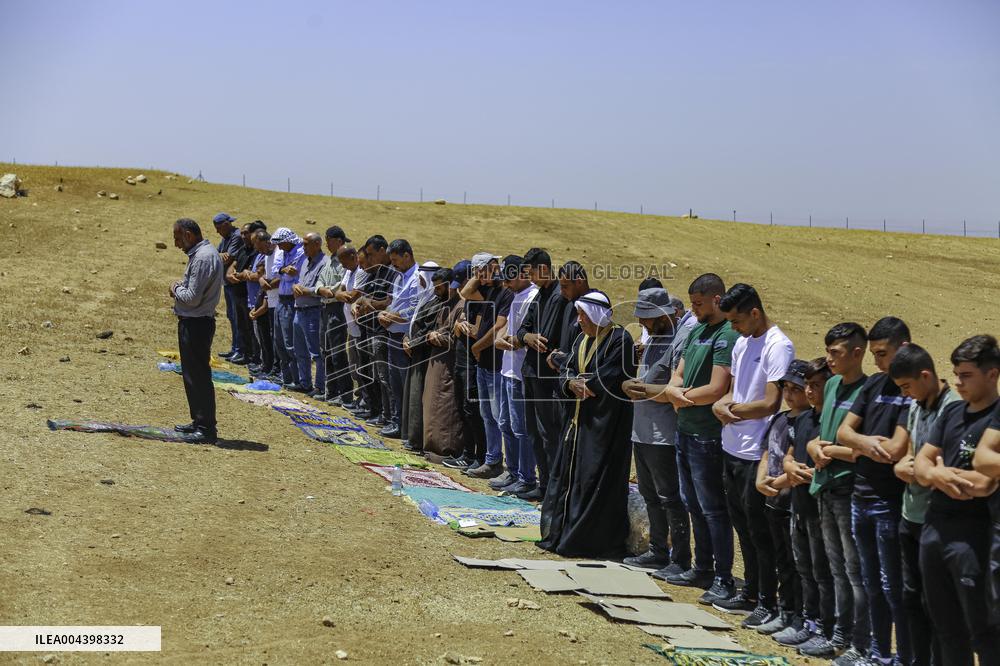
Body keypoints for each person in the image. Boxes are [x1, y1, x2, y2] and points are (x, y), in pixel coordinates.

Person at [710, 284, 795, 629]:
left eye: (737, 320)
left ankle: (767, 599)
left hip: (754, 450)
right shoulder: (743, 342)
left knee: (760, 532)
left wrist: (733, 410)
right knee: (742, 527)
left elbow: (771, 402)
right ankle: (750, 591)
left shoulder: (779, 345)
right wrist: (721, 404)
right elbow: (735, 389)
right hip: (731, 443)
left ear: (755, 313)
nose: (733, 328)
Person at [914, 335, 1000, 665]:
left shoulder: (996, 417)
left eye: (966, 376)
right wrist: (939, 475)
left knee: (983, 629)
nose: (959, 383)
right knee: (945, 626)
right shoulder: (951, 411)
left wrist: (938, 472)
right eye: (957, 375)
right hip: (935, 528)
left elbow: (982, 483)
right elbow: (921, 464)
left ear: (992, 374)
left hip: (973, 536)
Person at [654, 274, 738, 604]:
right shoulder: (698, 330)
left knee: (713, 509)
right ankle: (701, 567)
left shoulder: (728, 334)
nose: (694, 309)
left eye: (698, 303)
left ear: (717, 299)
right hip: (685, 429)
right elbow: (679, 371)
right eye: (692, 303)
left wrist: (679, 395)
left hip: (708, 435)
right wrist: (677, 390)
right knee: (692, 504)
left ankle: (723, 575)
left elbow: (717, 389)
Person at [836, 317, 913, 666]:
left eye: (883, 354)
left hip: (889, 502)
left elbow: (896, 449)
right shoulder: (874, 385)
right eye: (875, 354)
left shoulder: (910, 390)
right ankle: (879, 653)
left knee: (892, 586)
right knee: (870, 583)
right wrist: (868, 443)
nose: (878, 362)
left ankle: (904, 656)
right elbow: (844, 434)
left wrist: (860, 443)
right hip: (861, 496)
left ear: (904, 348)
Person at [539, 291, 636, 557]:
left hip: (605, 428)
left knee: (596, 481)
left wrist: (584, 383)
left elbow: (607, 378)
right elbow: (568, 370)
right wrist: (570, 383)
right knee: (569, 478)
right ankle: (561, 534)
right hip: (577, 423)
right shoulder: (582, 339)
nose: (578, 320)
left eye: (583, 315)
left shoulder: (620, 340)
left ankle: (587, 541)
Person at [804, 322, 870, 661]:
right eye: (827, 351)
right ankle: (838, 636)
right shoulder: (830, 385)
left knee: (854, 570)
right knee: (835, 568)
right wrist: (815, 446)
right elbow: (819, 432)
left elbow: (864, 448)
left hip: (849, 487)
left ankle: (862, 642)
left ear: (857, 353)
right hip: (824, 486)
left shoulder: (868, 390)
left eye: (836, 353)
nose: (829, 358)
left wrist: (827, 451)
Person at [890, 343, 959, 666]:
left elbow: (939, 469)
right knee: (911, 599)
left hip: (939, 520)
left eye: (906, 386)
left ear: (926, 375)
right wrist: (914, 467)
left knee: (941, 609)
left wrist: (915, 468)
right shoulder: (917, 404)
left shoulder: (954, 408)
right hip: (911, 515)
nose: (905, 395)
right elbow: (905, 461)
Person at [621, 287, 694, 579]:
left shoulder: (680, 340)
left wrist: (640, 389)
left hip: (663, 433)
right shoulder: (654, 338)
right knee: (650, 494)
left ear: (664, 315)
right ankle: (657, 551)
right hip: (642, 429)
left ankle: (680, 557)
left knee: (670, 497)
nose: (644, 324)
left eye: (649, 318)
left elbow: (674, 389)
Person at [778, 359, 837, 652]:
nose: (810, 391)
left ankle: (826, 629)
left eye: (816, 386)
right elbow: (790, 453)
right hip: (797, 506)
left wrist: (810, 473)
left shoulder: (832, 422)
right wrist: (789, 466)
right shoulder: (802, 419)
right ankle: (806, 622)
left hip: (819, 508)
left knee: (822, 573)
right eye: (808, 386)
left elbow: (832, 463)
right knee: (804, 568)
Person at [752, 360, 808, 638]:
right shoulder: (780, 418)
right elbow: (766, 452)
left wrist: (776, 483)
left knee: (796, 565)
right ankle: (782, 610)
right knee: (779, 560)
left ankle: (797, 615)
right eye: (786, 387)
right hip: (771, 500)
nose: (789, 393)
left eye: (797, 388)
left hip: (790, 502)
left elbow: (798, 463)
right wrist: (761, 478)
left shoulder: (806, 423)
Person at [516, 248, 570, 499]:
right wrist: (527, 336)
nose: (531, 279)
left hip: (547, 377)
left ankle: (553, 489)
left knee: (549, 434)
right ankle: (544, 484)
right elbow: (521, 331)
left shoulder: (560, 296)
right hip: (530, 371)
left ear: (544, 269)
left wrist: (530, 338)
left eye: (532, 273)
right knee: (534, 433)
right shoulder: (539, 296)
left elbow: (549, 336)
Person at [169, 218, 223, 444]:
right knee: (193, 376)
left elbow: (191, 298)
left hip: (196, 323)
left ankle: (206, 428)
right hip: (195, 322)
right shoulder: (204, 254)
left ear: (189, 235)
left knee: (198, 376)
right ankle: (198, 422)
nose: (176, 244)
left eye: (178, 239)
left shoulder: (202, 258)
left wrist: (174, 288)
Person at [461, 253, 513, 480]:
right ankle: (492, 460)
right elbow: (465, 293)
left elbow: (499, 327)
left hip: (495, 363)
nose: (477, 276)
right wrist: (481, 275)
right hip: (483, 363)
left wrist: (477, 347)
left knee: (498, 416)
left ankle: (502, 463)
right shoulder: (488, 290)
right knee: (487, 415)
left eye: (480, 270)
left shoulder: (506, 292)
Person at [493, 255, 539, 496]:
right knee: (505, 424)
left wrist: (508, 341)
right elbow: (507, 326)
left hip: (519, 372)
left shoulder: (532, 297)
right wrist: (500, 337)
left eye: (510, 279)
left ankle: (526, 476)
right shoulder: (515, 295)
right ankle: (512, 471)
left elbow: (524, 335)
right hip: (506, 368)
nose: (506, 285)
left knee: (521, 428)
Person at [441, 260, 489, 472]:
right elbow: (458, 329)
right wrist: (459, 325)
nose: (459, 289)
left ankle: (478, 455)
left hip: (471, 363)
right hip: (461, 361)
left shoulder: (480, 299)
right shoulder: (468, 300)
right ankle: (467, 453)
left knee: (473, 411)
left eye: (462, 283)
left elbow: (476, 331)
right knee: (463, 408)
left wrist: (461, 326)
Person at [422, 267, 467, 460]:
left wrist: (437, 337)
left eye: (439, 288)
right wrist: (432, 335)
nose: (435, 292)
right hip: (436, 361)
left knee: (446, 407)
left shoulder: (462, 306)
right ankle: (431, 446)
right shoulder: (445, 304)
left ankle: (446, 449)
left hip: (449, 363)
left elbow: (457, 339)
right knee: (431, 403)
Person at [377, 239, 420, 439]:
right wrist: (384, 314)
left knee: (404, 384)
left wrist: (390, 317)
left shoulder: (418, 279)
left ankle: (405, 427)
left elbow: (415, 309)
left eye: (395, 260)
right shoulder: (398, 277)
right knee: (394, 383)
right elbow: (393, 303)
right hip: (392, 334)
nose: (393, 264)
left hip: (405, 337)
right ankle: (397, 421)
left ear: (407, 256)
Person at [400, 260, 442, 452]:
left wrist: (412, 342)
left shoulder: (436, 302)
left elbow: (427, 330)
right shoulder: (425, 298)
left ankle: (417, 439)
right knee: (412, 394)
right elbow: (414, 324)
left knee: (418, 396)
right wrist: (406, 338)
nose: (421, 284)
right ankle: (410, 435)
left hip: (424, 355)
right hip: (415, 352)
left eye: (423, 280)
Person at [355, 237, 396, 427]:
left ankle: (389, 417)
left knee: (384, 377)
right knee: (375, 374)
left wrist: (368, 303)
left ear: (382, 250)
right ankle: (380, 412)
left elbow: (388, 301)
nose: (369, 259)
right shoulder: (378, 271)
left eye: (371, 254)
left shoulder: (394, 273)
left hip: (383, 331)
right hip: (370, 329)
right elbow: (366, 295)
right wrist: (361, 303)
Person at [315, 226, 351, 404]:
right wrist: (321, 289)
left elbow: (342, 285)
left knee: (337, 353)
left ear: (338, 240)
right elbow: (320, 279)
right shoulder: (330, 260)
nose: (326, 244)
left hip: (337, 308)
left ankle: (344, 394)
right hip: (325, 308)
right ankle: (331, 391)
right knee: (326, 351)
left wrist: (327, 291)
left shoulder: (346, 261)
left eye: (328, 240)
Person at [291, 233, 329, 396]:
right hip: (299, 310)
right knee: (300, 350)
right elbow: (300, 283)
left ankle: (320, 386)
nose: (303, 248)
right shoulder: (305, 262)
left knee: (316, 352)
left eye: (306, 244)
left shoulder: (324, 263)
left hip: (313, 311)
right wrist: (296, 287)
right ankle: (304, 382)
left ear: (317, 244)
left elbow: (324, 289)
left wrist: (305, 291)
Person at [271, 227, 305, 390]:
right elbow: (275, 272)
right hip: (281, 300)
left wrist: (282, 271)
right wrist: (283, 269)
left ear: (287, 241)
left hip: (291, 301)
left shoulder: (299, 252)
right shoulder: (283, 253)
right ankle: (286, 377)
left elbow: (291, 274)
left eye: (281, 244)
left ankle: (296, 379)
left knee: (289, 342)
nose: (280, 247)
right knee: (279, 341)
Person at [226, 222, 262, 367]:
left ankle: (255, 357)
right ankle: (245, 354)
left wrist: (239, 275)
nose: (243, 236)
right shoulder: (243, 249)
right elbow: (233, 265)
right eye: (241, 233)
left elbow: (251, 273)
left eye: (246, 233)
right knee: (241, 326)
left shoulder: (257, 253)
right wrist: (229, 274)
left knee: (251, 328)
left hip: (249, 295)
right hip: (237, 293)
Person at [333, 246, 363, 410]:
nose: (342, 266)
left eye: (344, 261)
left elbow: (352, 296)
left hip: (360, 328)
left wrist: (342, 296)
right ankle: (359, 398)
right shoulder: (349, 271)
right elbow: (341, 291)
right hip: (351, 327)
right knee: (354, 366)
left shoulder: (360, 271)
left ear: (353, 257)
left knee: (362, 366)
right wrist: (341, 295)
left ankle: (364, 400)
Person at [213, 212, 244, 361]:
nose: (217, 231)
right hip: (227, 283)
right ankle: (234, 348)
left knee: (237, 317)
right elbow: (216, 255)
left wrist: (221, 256)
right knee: (232, 316)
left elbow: (227, 259)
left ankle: (239, 349)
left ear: (226, 225)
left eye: (218, 228)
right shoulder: (226, 238)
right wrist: (220, 255)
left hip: (235, 284)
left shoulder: (236, 237)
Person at [247, 229, 275, 379]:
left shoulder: (270, 260)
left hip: (266, 309)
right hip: (259, 307)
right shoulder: (264, 259)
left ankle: (270, 367)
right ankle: (265, 366)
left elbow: (266, 297)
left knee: (268, 341)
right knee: (262, 340)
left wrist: (257, 312)